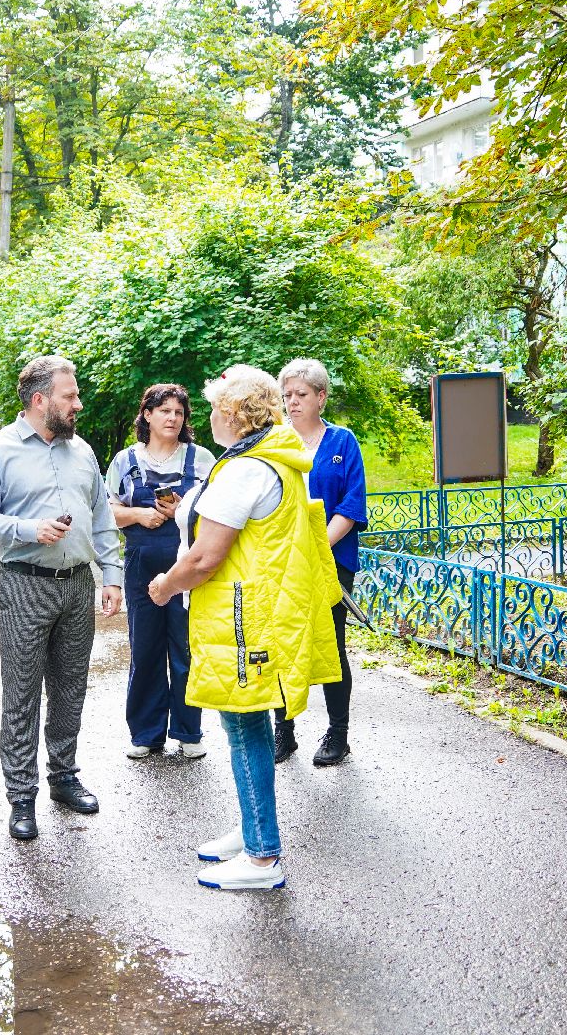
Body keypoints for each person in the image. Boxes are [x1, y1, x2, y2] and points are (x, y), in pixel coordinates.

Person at [147, 365, 339, 889]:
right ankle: (253, 828)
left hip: (240, 617)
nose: (208, 417)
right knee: (243, 726)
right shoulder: (267, 460)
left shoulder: (246, 470)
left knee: (243, 725)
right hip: (251, 611)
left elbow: (205, 557)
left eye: (215, 407)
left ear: (233, 414)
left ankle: (261, 858)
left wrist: (165, 586)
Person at [0, 356, 124, 841]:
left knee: (71, 689)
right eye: (69, 396)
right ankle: (21, 797)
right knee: (22, 693)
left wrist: (111, 575)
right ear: (40, 400)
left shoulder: (83, 452)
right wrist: (29, 529)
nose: (78, 404)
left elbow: (102, 517)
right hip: (23, 584)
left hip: (77, 585)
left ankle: (64, 777)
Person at [105, 385, 216, 759]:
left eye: (179, 412)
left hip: (187, 563)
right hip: (141, 562)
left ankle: (189, 731)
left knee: (186, 648)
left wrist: (184, 510)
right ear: (147, 415)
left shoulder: (201, 459)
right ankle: (146, 734)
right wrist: (139, 514)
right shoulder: (125, 460)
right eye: (165, 410)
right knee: (145, 648)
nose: (172, 418)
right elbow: (106, 513)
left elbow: (220, 513)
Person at [272, 358, 367, 766]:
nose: (292, 402)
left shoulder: (342, 442)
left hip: (331, 558)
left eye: (301, 394)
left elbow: (352, 503)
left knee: (331, 645)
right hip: (283, 561)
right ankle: (284, 730)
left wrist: (317, 546)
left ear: (321, 397)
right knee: (283, 642)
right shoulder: (275, 441)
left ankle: (338, 734)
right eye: (287, 395)